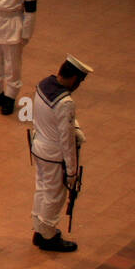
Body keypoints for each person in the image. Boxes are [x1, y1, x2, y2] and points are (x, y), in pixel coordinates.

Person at [29, 56, 93, 253]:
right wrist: (72, 172)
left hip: (39, 146)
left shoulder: (43, 85)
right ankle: (48, 235)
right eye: (79, 81)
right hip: (54, 154)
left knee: (42, 188)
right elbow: (67, 140)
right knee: (55, 195)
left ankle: (39, 229)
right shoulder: (65, 102)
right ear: (74, 78)